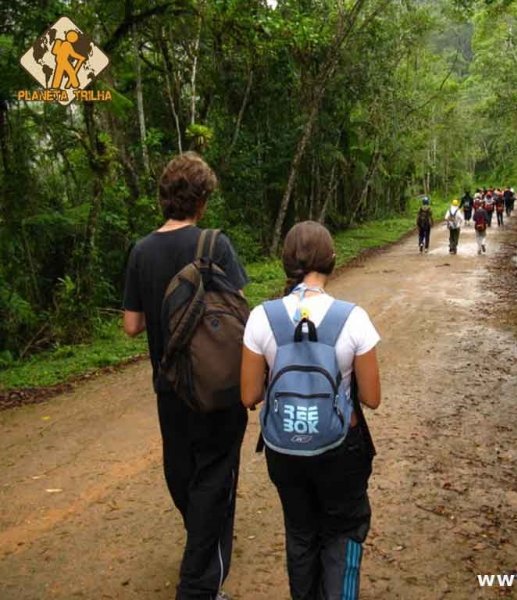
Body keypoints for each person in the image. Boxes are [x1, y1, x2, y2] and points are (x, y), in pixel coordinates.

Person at [123, 152, 249, 600]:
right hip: (216, 388)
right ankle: (199, 587)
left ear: (164, 199)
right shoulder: (214, 244)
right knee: (215, 479)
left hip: (169, 386)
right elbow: (236, 315)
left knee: (183, 472)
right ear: (201, 200)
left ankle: (199, 552)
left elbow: (132, 325)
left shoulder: (141, 250)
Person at [241, 221, 381, 600]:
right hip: (341, 448)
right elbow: (371, 397)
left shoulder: (261, 317)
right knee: (344, 531)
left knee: (300, 532)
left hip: (283, 448)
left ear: (286, 262)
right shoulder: (352, 318)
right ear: (331, 260)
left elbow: (248, 394)